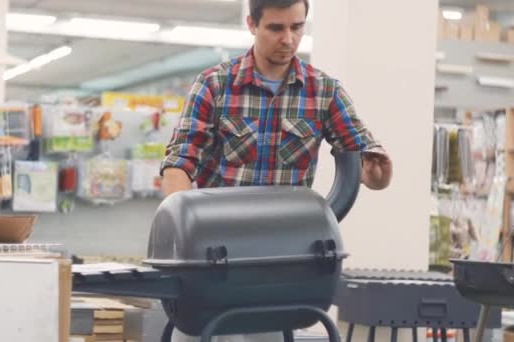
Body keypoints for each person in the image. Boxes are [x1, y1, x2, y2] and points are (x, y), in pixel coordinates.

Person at [160, 0, 392, 340]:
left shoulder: (323, 91)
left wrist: (377, 171)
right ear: (252, 24)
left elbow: (370, 170)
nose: (288, 39)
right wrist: (184, 230)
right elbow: (179, 164)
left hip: (278, 261)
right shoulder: (214, 85)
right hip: (214, 258)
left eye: (296, 28)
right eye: (276, 28)